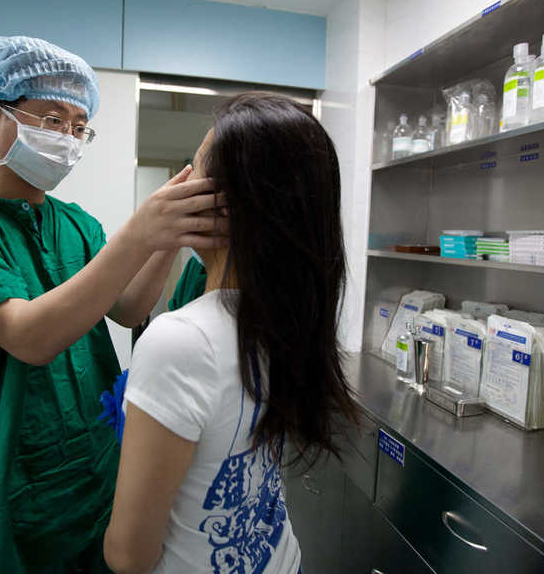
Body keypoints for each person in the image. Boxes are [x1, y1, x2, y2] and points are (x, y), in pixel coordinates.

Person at [0, 36, 227, 574]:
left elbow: (130, 309)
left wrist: (168, 237)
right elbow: (30, 337)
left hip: (87, 470)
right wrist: (139, 235)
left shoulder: (75, 223)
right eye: (50, 119)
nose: (66, 138)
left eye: (77, 126)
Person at [103, 92, 362, 574]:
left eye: (193, 172)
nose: (179, 185)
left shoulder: (179, 340)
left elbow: (127, 556)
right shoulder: (291, 319)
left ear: (218, 205)